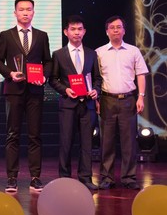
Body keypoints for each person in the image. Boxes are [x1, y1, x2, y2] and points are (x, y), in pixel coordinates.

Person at [0, 0, 52, 192]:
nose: (25, 13)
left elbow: (48, 61)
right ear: (15, 13)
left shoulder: (42, 36)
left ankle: (35, 177)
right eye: (21, 9)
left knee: (35, 135)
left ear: (33, 12)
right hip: (14, 91)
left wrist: (43, 76)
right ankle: (12, 177)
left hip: (35, 91)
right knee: (12, 134)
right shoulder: (6, 35)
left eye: (29, 9)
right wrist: (10, 73)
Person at [49, 15, 102, 190]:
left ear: (84, 31)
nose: (76, 32)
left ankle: (85, 177)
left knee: (87, 143)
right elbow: (53, 79)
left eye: (80, 29)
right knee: (66, 143)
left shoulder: (92, 53)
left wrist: (96, 90)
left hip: (87, 105)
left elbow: (97, 78)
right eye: (73, 29)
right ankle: (64, 177)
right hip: (68, 105)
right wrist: (65, 90)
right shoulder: (58, 54)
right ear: (66, 32)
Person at [96, 15, 148, 190]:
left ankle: (129, 177)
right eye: (112, 27)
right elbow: (95, 78)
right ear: (107, 31)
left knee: (129, 142)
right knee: (106, 142)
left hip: (128, 100)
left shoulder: (133, 51)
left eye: (119, 27)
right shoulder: (99, 52)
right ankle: (107, 177)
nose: (116, 30)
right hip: (106, 100)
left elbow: (141, 74)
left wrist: (141, 96)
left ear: (124, 30)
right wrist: (96, 100)